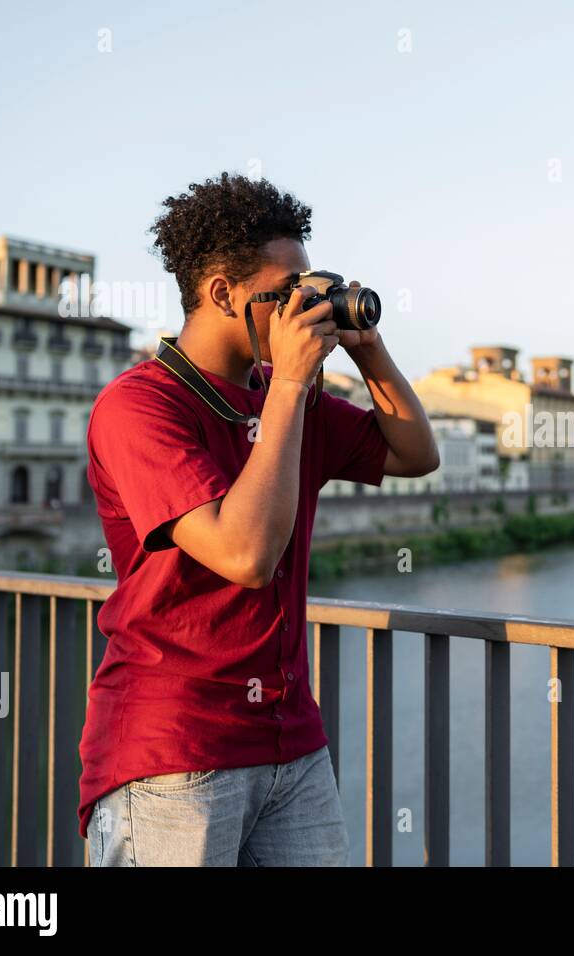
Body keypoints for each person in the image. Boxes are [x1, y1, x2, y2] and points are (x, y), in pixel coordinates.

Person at [78, 173, 439, 866]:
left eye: (312, 290)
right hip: (173, 755)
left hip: (291, 744)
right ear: (222, 294)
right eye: (287, 293)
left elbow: (416, 454)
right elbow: (245, 555)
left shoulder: (285, 399)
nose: (304, 309)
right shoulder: (139, 406)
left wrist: (367, 348)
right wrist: (295, 385)